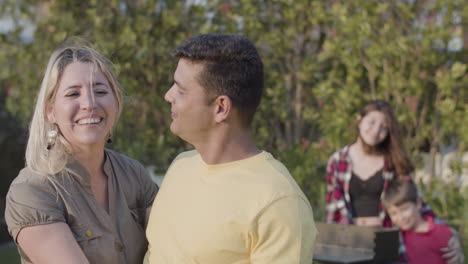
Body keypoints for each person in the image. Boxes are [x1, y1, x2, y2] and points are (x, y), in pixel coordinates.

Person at [144, 33, 317, 264]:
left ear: (221, 107)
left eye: (181, 90)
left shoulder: (278, 203)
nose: (168, 96)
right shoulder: (181, 165)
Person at [4, 42, 158, 264]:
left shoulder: (134, 174)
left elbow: (173, 246)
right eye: (73, 93)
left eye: (101, 91)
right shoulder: (32, 190)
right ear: (50, 111)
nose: (89, 103)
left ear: (116, 102)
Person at [325, 100, 464, 263]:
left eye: (383, 127)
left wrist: (450, 234)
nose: (376, 131)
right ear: (359, 120)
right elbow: (333, 207)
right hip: (350, 241)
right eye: (372, 122)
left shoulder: (393, 163)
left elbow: (416, 202)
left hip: (384, 242)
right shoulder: (337, 160)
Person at [382, 179, 452, 264]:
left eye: (404, 209)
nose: (400, 217)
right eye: (394, 213)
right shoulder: (398, 237)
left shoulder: (441, 232)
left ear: (418, 203)